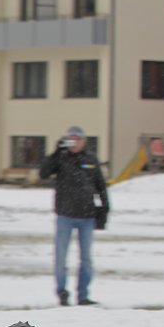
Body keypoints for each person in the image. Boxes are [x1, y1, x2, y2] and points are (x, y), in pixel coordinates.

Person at [38, 126, 109, 307]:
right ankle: (62, 292)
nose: (74, 143)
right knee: (61, 257)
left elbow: (101, 186)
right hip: (65, 215)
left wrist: (104, 211)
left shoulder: (90, 159)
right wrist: (56, 152)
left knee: (86, 259)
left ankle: (83, 296)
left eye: (77, 139)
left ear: (83, 141)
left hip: (87, 216)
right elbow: (43, 173)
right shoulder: (61, 158)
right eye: (70, 139)